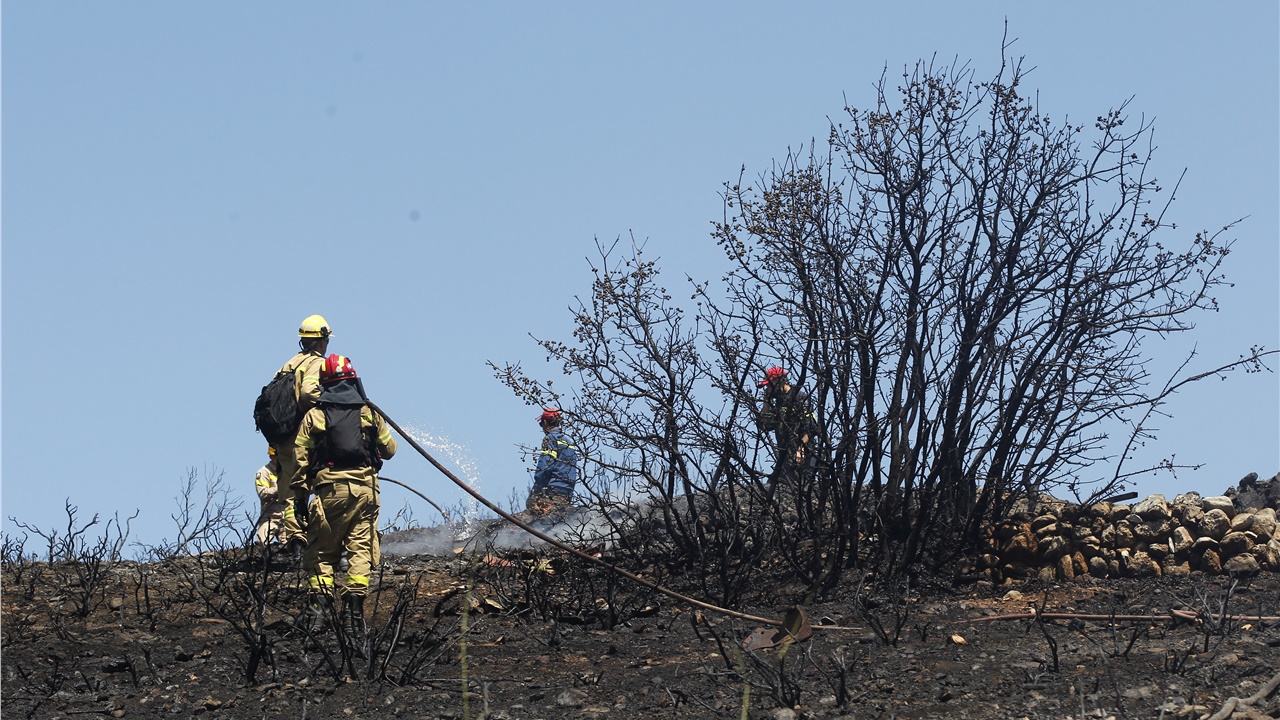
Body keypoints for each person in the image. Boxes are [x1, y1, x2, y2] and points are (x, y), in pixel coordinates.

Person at [290, 354, 396, 643]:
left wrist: (300, 499)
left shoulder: (315, 416)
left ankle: (318, 613)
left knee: (322, 552)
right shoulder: (369, 412)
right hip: (366, 491)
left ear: (324, 383)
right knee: (361, 550)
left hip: (330, 492)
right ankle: (354, 614)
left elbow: (299, 461)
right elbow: (390, 450)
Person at [272, 314, 332, 556]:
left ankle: (293, 542)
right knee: (317, 484)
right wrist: (330, 405)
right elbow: (308, 394)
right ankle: (316, 542)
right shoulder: (315, 363)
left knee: (289, 490)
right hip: (303, 436)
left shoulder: (288, 364)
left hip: (282, 438)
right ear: (321, 341)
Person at [756, 366, 818, 486]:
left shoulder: (799, 397)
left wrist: (801, 449)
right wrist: (766, 403)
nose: (768, 389)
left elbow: (811, 427)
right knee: (770, 489)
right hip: (785, 457)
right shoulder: (779, 403)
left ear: (780, 381)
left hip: (804, 455)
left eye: (770, 385)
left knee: (800, 489)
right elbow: (764, 425)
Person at [525, 408, 580, 517]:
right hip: (567, 491)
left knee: (534, 517)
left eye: (541, 424)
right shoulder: (569, 442)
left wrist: (535, 491)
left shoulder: (550, 439)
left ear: (545, 423)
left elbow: (545, 467)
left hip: (552, 490)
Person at [252, 447, 287, 545]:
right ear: (272, 457)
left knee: (294, 548)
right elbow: (263, 494)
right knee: (261, 545)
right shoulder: (264, 472)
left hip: (286, 518)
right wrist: (280, 488)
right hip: (270, 517)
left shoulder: (288, 471)